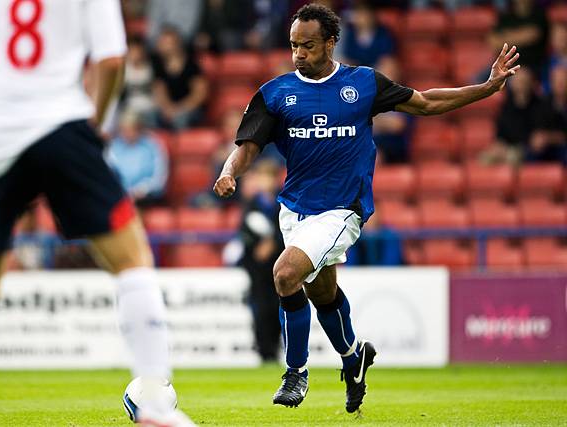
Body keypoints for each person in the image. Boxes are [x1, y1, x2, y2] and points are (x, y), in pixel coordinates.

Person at [213, 3, 519, 414]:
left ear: (330, 43)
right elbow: (246, 146)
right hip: (295, 210)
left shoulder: (363, 84)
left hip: (343, 210)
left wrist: (486, 88)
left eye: (307, 46)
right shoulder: (275, 93)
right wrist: (229, 172)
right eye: (292, 46)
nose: (298, 54)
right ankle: (354, 357)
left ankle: (296, 372)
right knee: (321, 294)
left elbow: (425, 103)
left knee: (285, 274)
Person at [0, 1, 193, 427]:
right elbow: (110, 61)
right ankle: (157, 405)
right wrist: (94, 126)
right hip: (62, 126)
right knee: (131, 261)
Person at [238, 160, 285, 363]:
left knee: (279, 307)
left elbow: (287, 228)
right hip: (257, 268)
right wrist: (256, 247)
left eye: (269, 177)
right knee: (260, 308)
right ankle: (263, 350)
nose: (265, 181)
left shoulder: (283, 203)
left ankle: (276, 348)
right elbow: (244, 232)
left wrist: (273, 243)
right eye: (262, 177)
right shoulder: (252, 204)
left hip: (279, 265)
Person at [151, 27, 209, 130]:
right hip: (169, 110)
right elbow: (159, 90)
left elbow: (199, 94)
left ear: (177, 44)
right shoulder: (158, 65)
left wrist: (179, 109)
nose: (161, 45)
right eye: (161, 42)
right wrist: (167, 108)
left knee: (181, 119)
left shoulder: (191, 65)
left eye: (166, 42)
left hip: (190, 109)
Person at [109, 111, 169, 207]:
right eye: (123, 130)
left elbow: (159, 178)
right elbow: (108, 173)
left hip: (146, 196)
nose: (126, 134)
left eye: (130, 130)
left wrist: (141, 190)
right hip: (118, 194)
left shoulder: (152, 145)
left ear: (139, 128)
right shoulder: (114, 146)